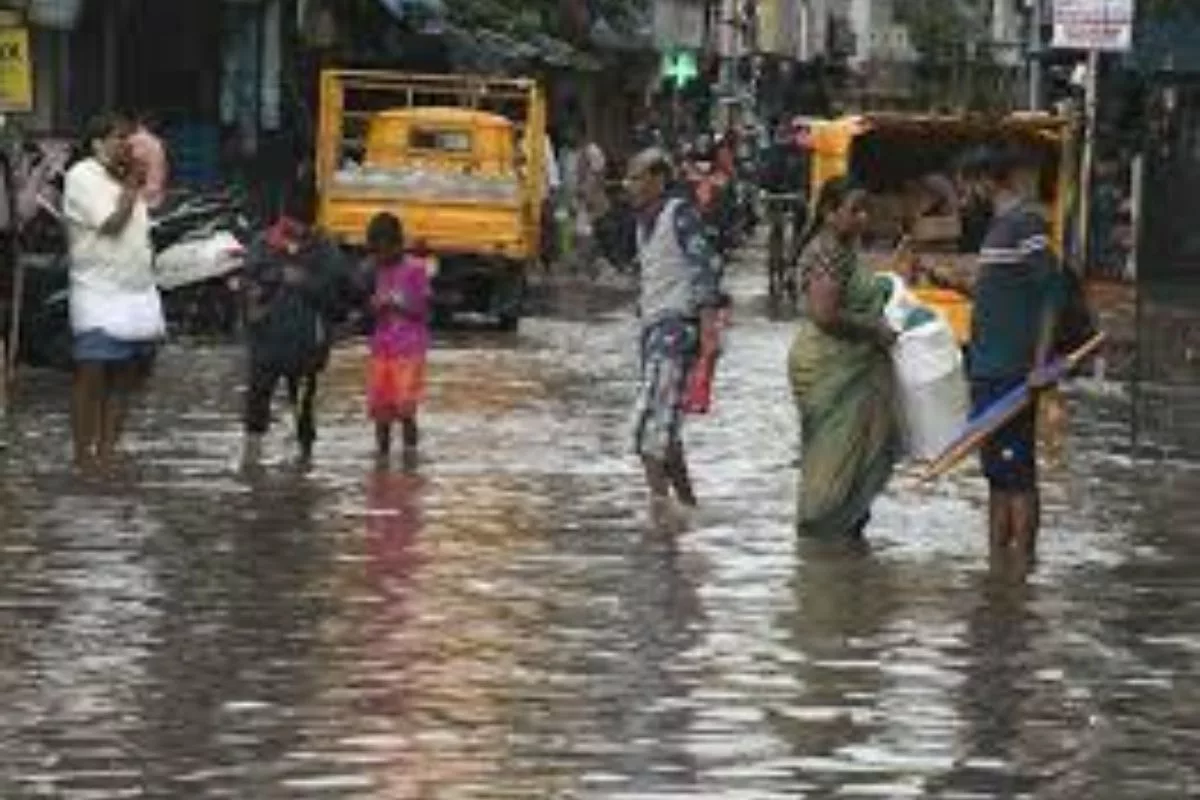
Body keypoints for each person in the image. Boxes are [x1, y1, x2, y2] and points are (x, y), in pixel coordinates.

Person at [926, 146, 1065, 571]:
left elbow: (1052, 293)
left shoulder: (1025, 225)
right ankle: (998, 572)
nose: (963, 197)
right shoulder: (998, 230)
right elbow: (1002, 297)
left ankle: (1019, 570)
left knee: (1017, 474)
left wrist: (1041, 365)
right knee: (996, 477)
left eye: (966, 187)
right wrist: (956, 284)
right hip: (988, 368)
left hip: (1013, 372)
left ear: (986, 181)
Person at [787, 176, 902, 540]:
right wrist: (875, 331)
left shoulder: (840, 248)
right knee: (834, 466)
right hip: (831, 367)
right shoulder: (830, 252)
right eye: (854, 210)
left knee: (841, 462)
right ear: (829, 211)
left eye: (866, 209)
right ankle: (826, 556)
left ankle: (842, 565)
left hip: (840, 366)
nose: (863, 218)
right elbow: (826, 314)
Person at [624, 148, 722, 530]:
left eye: (636, 177)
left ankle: (661, 516)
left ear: (657, 179)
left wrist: (709, 332)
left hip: (675, 333)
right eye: (629, 178)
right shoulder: (642, 223)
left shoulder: (679, 214)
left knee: (647, 432)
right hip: (653, 333)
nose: (630, 185)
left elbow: (704, 271)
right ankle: (688, 509)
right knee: (665, 432)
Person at [62, 113, 164, 474]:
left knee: (125, 377)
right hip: (97, 290)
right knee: (91, 372)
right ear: (97, 143)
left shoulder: (123, 179)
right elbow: (111, 224)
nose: (127, 145)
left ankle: (106, 452)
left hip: (136, 290)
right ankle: (81, 455)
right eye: (119, 138)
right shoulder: (82, 176)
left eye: (129, 139)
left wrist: (132, 184)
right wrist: (133, 187)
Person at [240, 201, 348, 470]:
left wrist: (304, 282)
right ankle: (251, 464)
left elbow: (338, 296)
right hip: (266, 342)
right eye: (287, 223)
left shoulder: (325, 250)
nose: (292, 230)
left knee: (302, 408)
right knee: (256, 405)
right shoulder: (262, 243)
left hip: (306, 344)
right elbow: (248, 281)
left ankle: (305, 463)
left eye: (298, 225)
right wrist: (273, 279)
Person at [362, 212, 431, 467]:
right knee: (381, 411)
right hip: (381, 348)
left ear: (396, 245)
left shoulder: (415, 270)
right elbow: (367, 307)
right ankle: (381, 462)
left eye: (381, 251)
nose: (378, 258)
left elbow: (422, 310)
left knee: (404, 410)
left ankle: (410, 460)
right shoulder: (375, 270)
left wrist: (396, 303)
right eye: (374, 253)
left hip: (409, 350)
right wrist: (374, 306)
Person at [127, 111, 168, 211]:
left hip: (140, 197)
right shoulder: (158, 143)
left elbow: (134, 166)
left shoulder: (135, 140)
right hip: (156, 195)